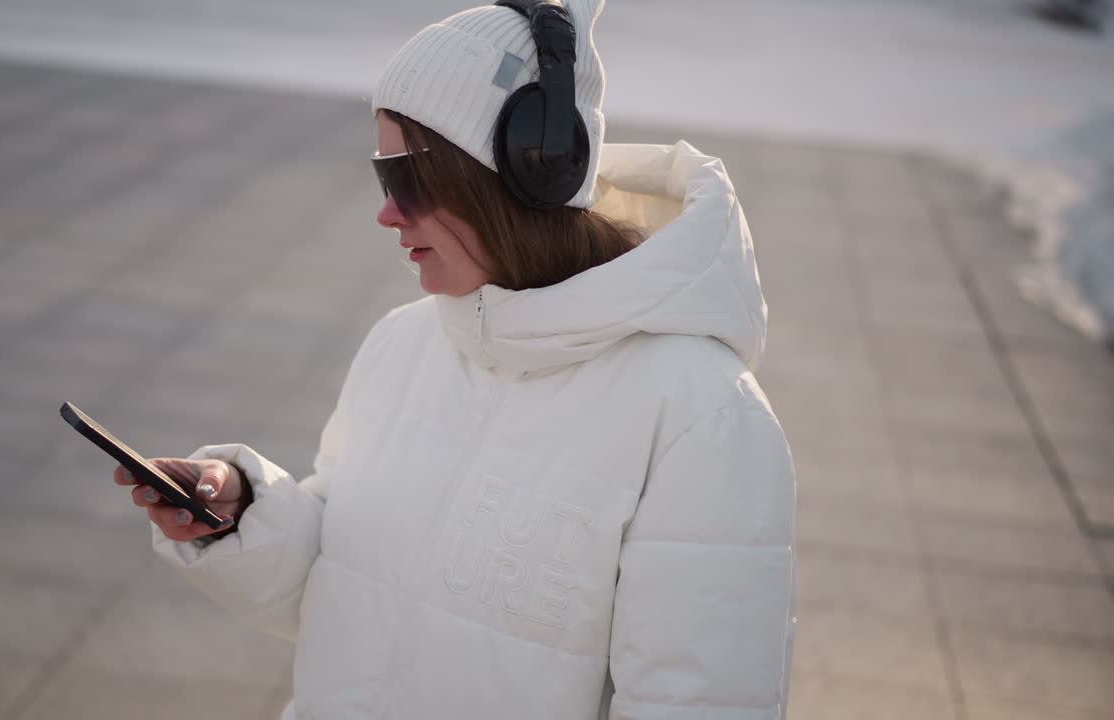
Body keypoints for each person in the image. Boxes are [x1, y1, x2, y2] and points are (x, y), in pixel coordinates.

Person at [113, 1, 796, 718]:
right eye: (384, 178)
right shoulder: (405, 342)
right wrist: (244, 515)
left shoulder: (701, 416)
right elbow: (348, 587)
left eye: (408, 180)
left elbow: (699, 703)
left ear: (529, 172)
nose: (386, 214)